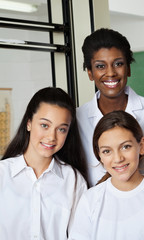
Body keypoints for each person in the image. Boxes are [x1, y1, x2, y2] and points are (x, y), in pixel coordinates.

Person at [69, 110, 144, 240]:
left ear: (141, 146)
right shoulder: (90, 200)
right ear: (100, 156)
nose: (118, 158)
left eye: (125, 147)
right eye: (107, 151)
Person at [77, 28, 144, 186]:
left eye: (118, 64)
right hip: (99, 205)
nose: (111, 73)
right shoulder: (78, 118)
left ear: (128, 68)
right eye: (100, 66)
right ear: (90, 73)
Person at [0, 87, 88, 240]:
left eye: (61, 129)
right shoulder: (2, 174)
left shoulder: (73, 180)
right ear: (29, 123)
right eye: (45, 125)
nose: (51, 137)